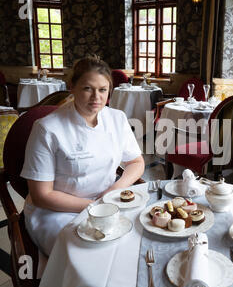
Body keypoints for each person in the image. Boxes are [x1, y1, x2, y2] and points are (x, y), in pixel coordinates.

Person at [21, 56, 144, 256]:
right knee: (89, 254)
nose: (96, 97)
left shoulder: (117, 119)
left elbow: (136, 163)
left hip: (108, 204)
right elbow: (41, 195)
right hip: (57, 212)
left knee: (134, 245)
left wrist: (113, 191)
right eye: (88, 88)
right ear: (72, 87)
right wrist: (94, 206)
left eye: (103, 90)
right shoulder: (47, 129)